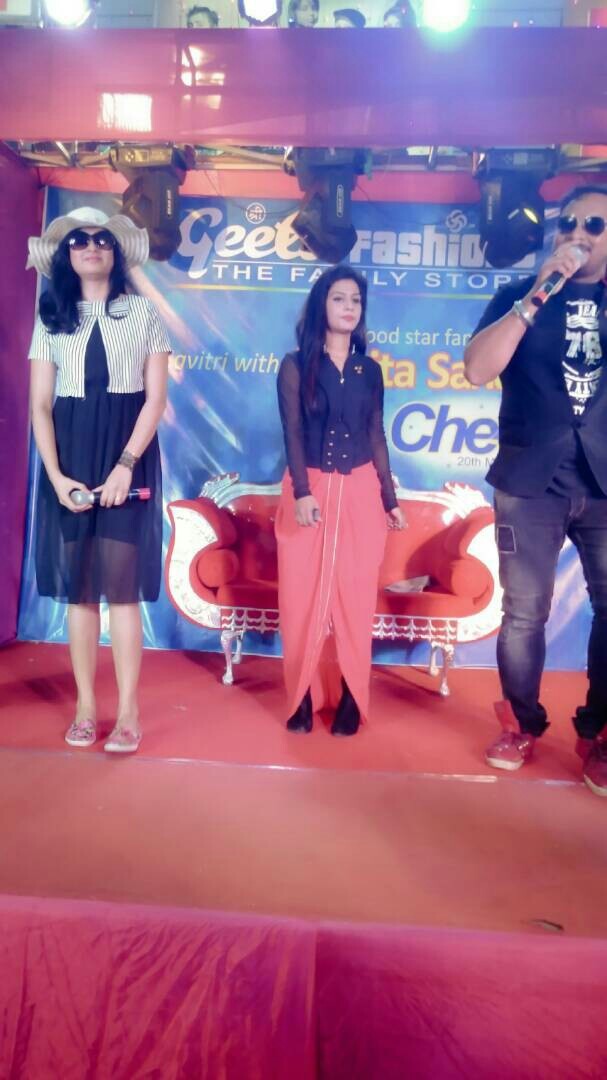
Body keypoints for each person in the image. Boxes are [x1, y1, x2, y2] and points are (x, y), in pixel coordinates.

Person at [464, 184, 607, 796]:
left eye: (595, 224)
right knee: (524, 614)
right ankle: (521, 723)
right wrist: (534, 298)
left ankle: (600, 731)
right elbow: (477, 368)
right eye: (568, 222)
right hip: (529, 482)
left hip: (604, 484)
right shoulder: (518, 296)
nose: (578, 233)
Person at [27, 206, 171, 754]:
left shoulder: (143, 313)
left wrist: (125, 465)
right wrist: (56, 476)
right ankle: (86, 708)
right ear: (66, 255)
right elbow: (41, 406)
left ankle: (128, 712)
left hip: (126, 454)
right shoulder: (51, 317)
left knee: (123, 591)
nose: (91, 246)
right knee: (80, 592)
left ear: (116, 252)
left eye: (102, 239)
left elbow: (154, 400)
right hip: (69, 457)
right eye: (79, 240)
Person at [275, 266, 404, 736]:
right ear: (321, 306)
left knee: (355, 596)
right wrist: (302, 492)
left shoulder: (370, 371)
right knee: (300, 598)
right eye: (338, 298)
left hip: (361, 491)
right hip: (309, 487)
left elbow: (376, 434)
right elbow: (291, 431)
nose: (349, 307)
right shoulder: (296, 365)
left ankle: (351, 695)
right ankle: (302, 698)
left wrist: (389, 499)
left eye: (356, 300)